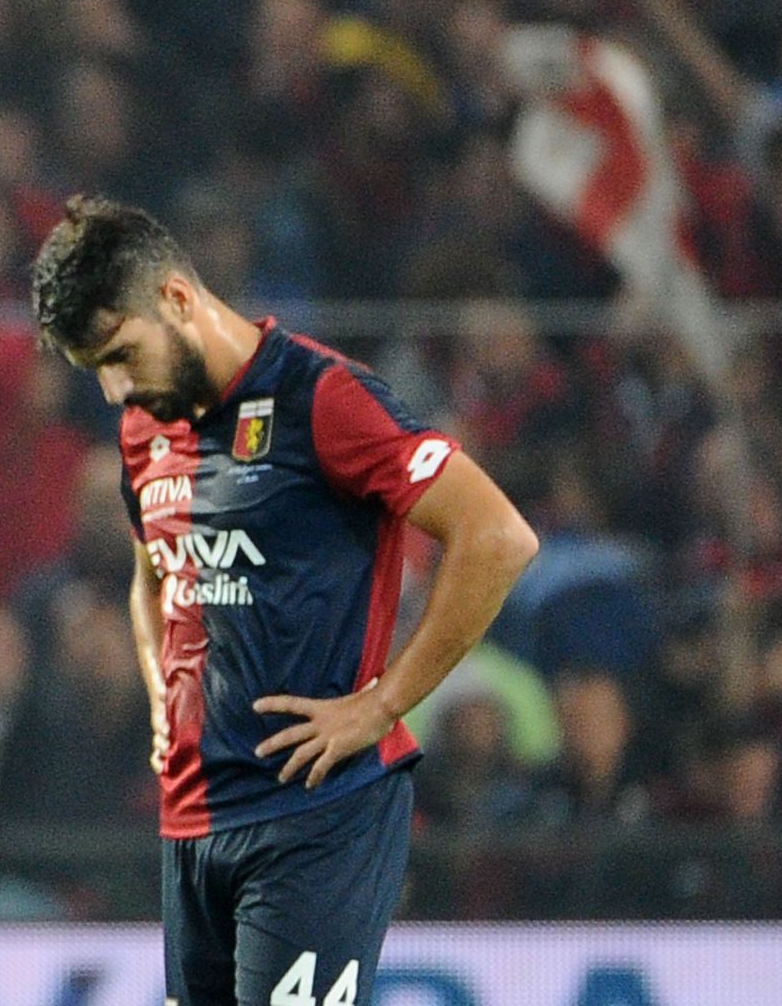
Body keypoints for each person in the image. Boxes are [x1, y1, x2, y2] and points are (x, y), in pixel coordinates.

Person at [30, 196, 537, 1006]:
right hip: (194, 817)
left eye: (122, 355)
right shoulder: (144, 428)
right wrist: (162, 697)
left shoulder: (321, 397)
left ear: (177, 298)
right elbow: (155, 573)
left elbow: (498, 537)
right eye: (96, 369)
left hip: (317, 810)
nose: (115, 389)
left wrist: (382, 705)